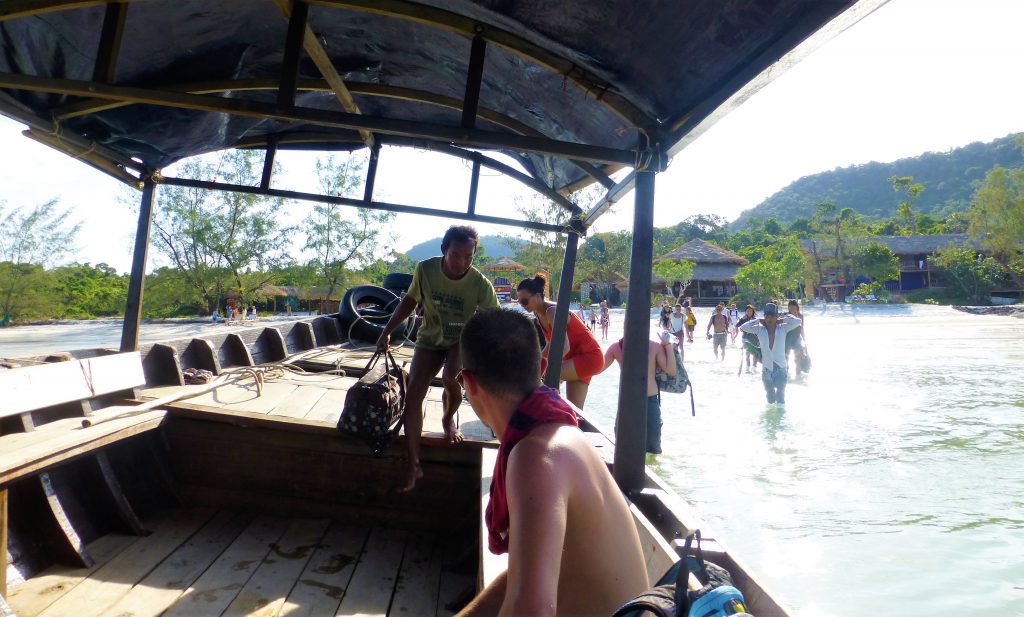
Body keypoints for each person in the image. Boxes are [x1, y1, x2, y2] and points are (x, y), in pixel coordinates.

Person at [455, 309, 649, 616]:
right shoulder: (557, 436)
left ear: (469, 384)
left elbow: (530, 611)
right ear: (542, 367)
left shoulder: (537, 456)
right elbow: (525, 573)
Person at [376, 225, 498, 492]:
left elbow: (496, 320)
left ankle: (448, 420)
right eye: (456, 255)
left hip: (460, 341)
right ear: (444, 250)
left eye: (469, 257)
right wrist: (386, 331)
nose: (462, 262)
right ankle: (413, 463)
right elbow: (409, 301)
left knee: (450, 378)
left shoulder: (479, 283)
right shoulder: (426, 269)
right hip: (430, 339)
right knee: (414, 393)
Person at [517, 275, 604, 409]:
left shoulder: (552, 311)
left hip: (589, 357)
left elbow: (564, 347)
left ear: (538, 296)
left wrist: (539, 370)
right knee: (575, 411)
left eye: (525, 301)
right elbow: (550, 343)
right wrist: (537, 361)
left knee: (538, 377)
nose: (523, 306)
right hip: (574, 359)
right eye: (520, 302)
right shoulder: (538, 315)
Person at [602, 331, 676, 454]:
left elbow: (671, 371)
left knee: (653, 447)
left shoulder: (654, 346)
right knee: (622, 444)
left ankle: (650, 471)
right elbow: (598, 367)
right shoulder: (616, 348)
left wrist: (668, 345)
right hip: (628, 402)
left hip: (650, 400)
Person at [739, 302, 802, 404]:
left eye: (772, 316)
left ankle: (780, 418)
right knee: (770, 400)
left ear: (776, 317)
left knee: (781, 399)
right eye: (767, 316)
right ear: (764, 317)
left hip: (781, 369)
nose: (769, 319)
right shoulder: (759, 329)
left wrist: (783, 319)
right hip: (766, 370)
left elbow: (798, 321)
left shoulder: (783, 328)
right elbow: (743, 327)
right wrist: (758, 320)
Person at [785, 299, 810, 375]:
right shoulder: (786, 316)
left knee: (798, 358)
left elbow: (802, 329)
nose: (792, 309)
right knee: (786, 358)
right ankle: (786, 375)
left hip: (797, 338)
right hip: (787, 338)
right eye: (790, 308)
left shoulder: (800, 316)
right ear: (788, 308)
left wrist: (805, 342)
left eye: (794, 308)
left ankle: (798, 376)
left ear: (797, 307)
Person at [736, 304, 760, 370]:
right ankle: (747, 367)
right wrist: (741, 319)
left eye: (750, 311)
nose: (749, 312)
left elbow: (758, 329)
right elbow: (737, 325)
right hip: (745, 337)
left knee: (755, 352)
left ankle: (754, 366)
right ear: (745, 311)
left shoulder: (755, 319)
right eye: (747, 311)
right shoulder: (743, 319)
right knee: (747, 353)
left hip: (754, 337)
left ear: (753, 312)